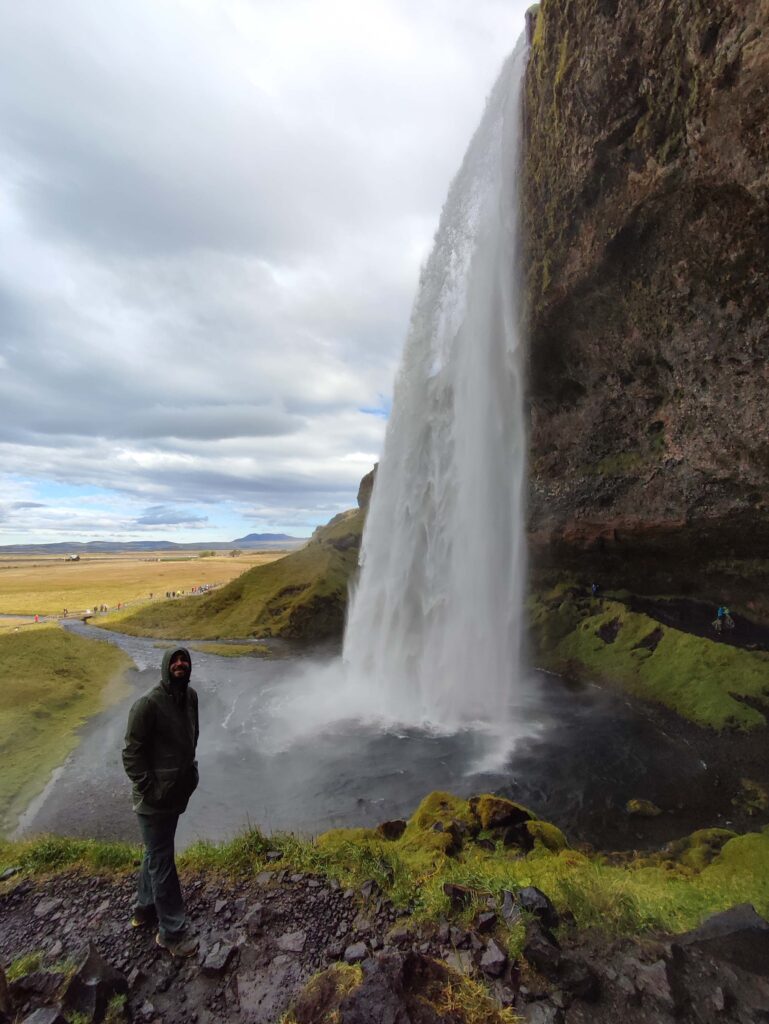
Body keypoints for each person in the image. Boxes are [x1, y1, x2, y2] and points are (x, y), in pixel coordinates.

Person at [122, 648, 200, 957]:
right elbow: (130, 754)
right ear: (166, 667)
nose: (180, 664)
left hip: (175, 792)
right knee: (163, 859)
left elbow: (192, 735)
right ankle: (172, 932)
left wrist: (189, 774)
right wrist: (150, 789)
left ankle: (144, 909)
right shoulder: (148, 704)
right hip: (154, 799)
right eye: (174, 660)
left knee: (156, 852)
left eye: (185, 660)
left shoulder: (190, 696)